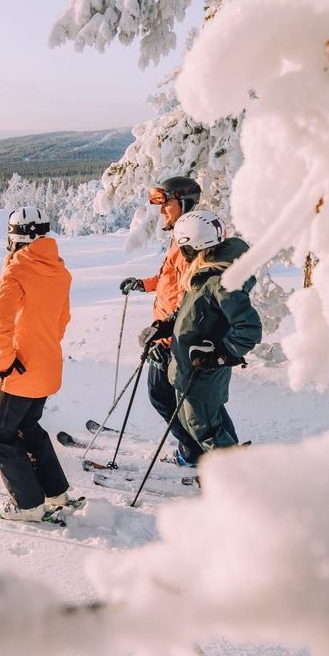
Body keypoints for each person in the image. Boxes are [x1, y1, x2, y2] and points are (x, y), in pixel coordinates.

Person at [142, 209, 262, 456]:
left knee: (204, 429)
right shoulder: (203, 274)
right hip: (189, 367)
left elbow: (249, 328)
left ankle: (237, 484)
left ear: (191, 246)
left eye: (182, 246)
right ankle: (229, 473)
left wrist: (219, 355)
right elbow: (192, 312)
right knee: (195, 424)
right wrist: (164, 326)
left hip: (203, 371)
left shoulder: (219, 280)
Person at [0, 206, 72, 521]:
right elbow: (63, 319)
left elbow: (1, 323)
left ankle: (28, 505)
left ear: (15, 237)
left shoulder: (16, 272)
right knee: (27, 427)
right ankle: (56, 492)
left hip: (20, 370)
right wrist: (42, 345)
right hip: (48, 364)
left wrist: (4, 361)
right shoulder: (60, 269)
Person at [119, 176, 204, 466]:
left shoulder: (190, 243)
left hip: (173, 336)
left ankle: (194, 452)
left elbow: (190, 294)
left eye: (165, 204)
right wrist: (144, 284)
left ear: (183, 202)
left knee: (161, 395)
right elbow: (170, 279)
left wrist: (164, 334)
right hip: (168, 333)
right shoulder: (181, 238)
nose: (161, 211)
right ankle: (194, 449)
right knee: (170, 397)